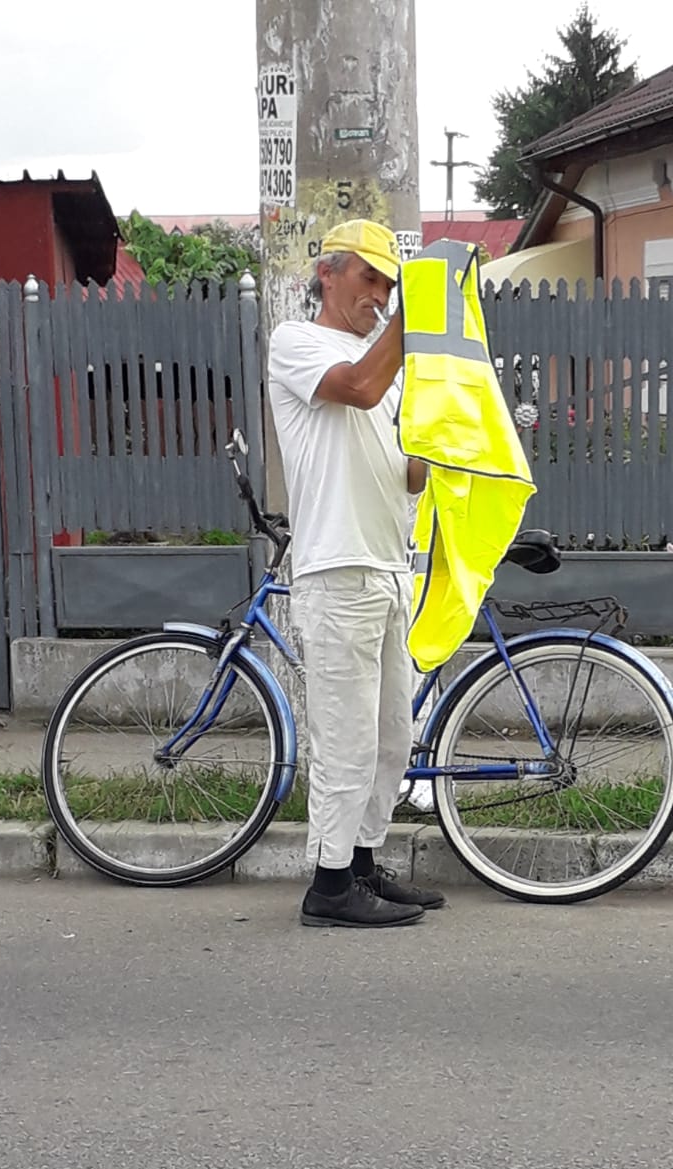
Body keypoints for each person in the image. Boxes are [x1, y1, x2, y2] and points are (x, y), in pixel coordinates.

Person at [267, 219, 447, 929]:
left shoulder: (380, 361)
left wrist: (439, 441)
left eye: (389, 284)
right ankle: (330, 886)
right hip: (336, 569)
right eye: (368, 278)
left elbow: (402, 469)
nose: (379, 293)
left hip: (386, 567)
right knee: (344, 740)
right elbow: (361, 390)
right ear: (330, 275)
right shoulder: (298, 343)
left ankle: (363, 864)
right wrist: (413, 324)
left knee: (388, 738)